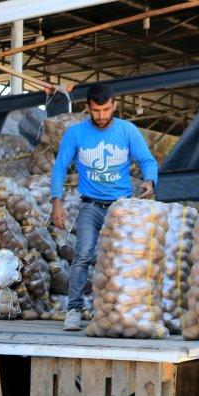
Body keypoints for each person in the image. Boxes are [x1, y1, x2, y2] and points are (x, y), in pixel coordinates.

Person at [50, 83, 159, 331]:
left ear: (114, 105)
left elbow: (146, 160)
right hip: (90, 205)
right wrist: (56, 202)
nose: (101, 116)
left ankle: (120, 309)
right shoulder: (76, 134)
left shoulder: (128, 131)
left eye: (106, 109)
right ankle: (74, 310)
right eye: (96, 110)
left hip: (122, 208)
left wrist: (150, 180)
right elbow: (59, 168)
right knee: (83, 254)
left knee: (122, 258)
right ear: (87, 108)